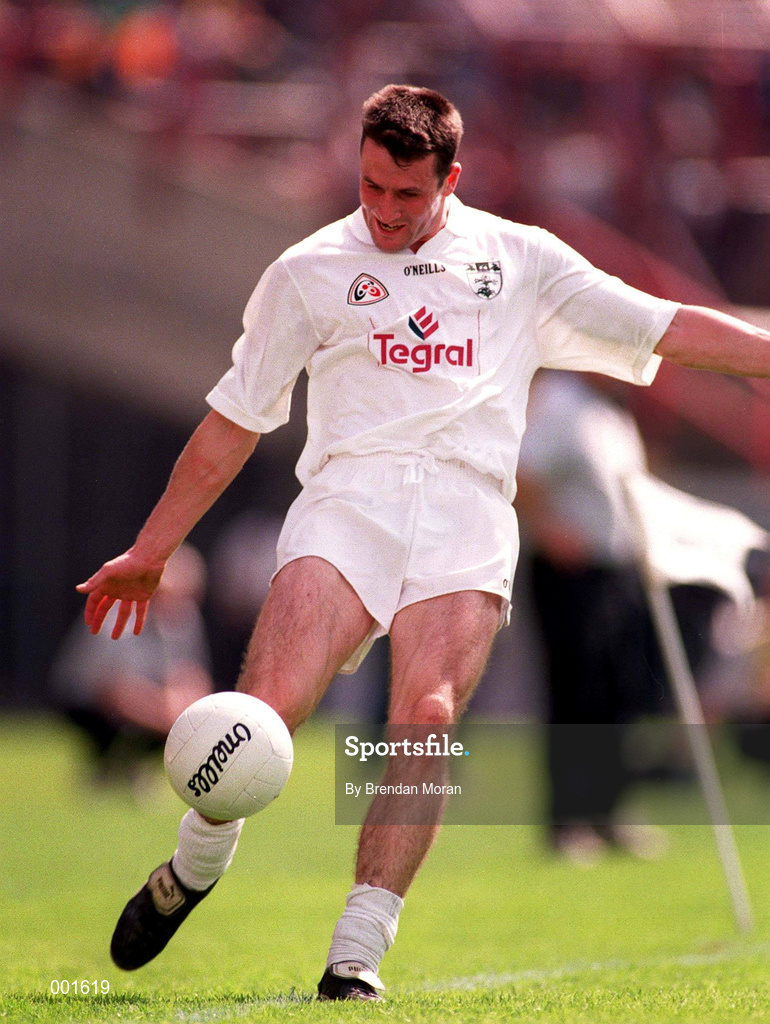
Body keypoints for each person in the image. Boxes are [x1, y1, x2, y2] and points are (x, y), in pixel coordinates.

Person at [76, 84, 770, 1001]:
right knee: (264, 718)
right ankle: (192, 870)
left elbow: (664, 327)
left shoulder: (520, 259)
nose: (385, 211)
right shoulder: (306, 270)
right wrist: (151, 548)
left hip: (468, 511)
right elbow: (231, 423)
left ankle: (355, 953)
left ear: (452, 178)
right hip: (346, 501)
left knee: (428, 719)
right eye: (370, 188)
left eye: (408, 195)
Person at [516, 371, 714, 864]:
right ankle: (568, 821)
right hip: (572, 571)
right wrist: (550, 529)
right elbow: (524, 474)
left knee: (621, 691)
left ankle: (609, 811)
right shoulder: (561, 402)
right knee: (577, 693)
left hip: (618, 570)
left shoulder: (612, 412)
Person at [52, 544, 212, 793]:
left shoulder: (184, 618)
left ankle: (133, 766)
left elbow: (190, 677)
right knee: (144, 722)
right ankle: (107, 764)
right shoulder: (117, 615)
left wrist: (191, 716)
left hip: (148, 701)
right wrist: (168, 721)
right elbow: (111, 690)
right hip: (86, 702)